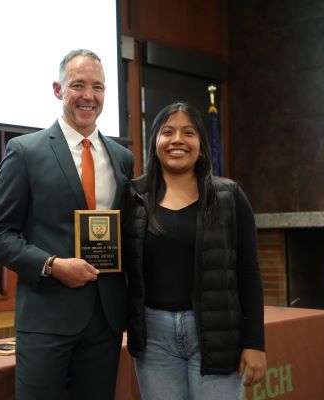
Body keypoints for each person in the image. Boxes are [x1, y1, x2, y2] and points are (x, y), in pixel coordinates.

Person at [0, 49, 134, 400]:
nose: (88, 96)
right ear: (57, 89)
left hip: (105, 321)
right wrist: (52, 266)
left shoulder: (122, 158)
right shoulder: (25, 151)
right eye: (77, 85)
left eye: (97, 87)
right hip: (46, 319)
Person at [123, 101, 266, 399]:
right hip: (154, 338)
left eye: (188, 133)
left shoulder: (230, 196)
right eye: (168, 132)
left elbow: (249, 272)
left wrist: (255, 343)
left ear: (201, 145)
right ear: (155, 143)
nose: (177, 140)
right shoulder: (133, 197)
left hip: (217, 334)